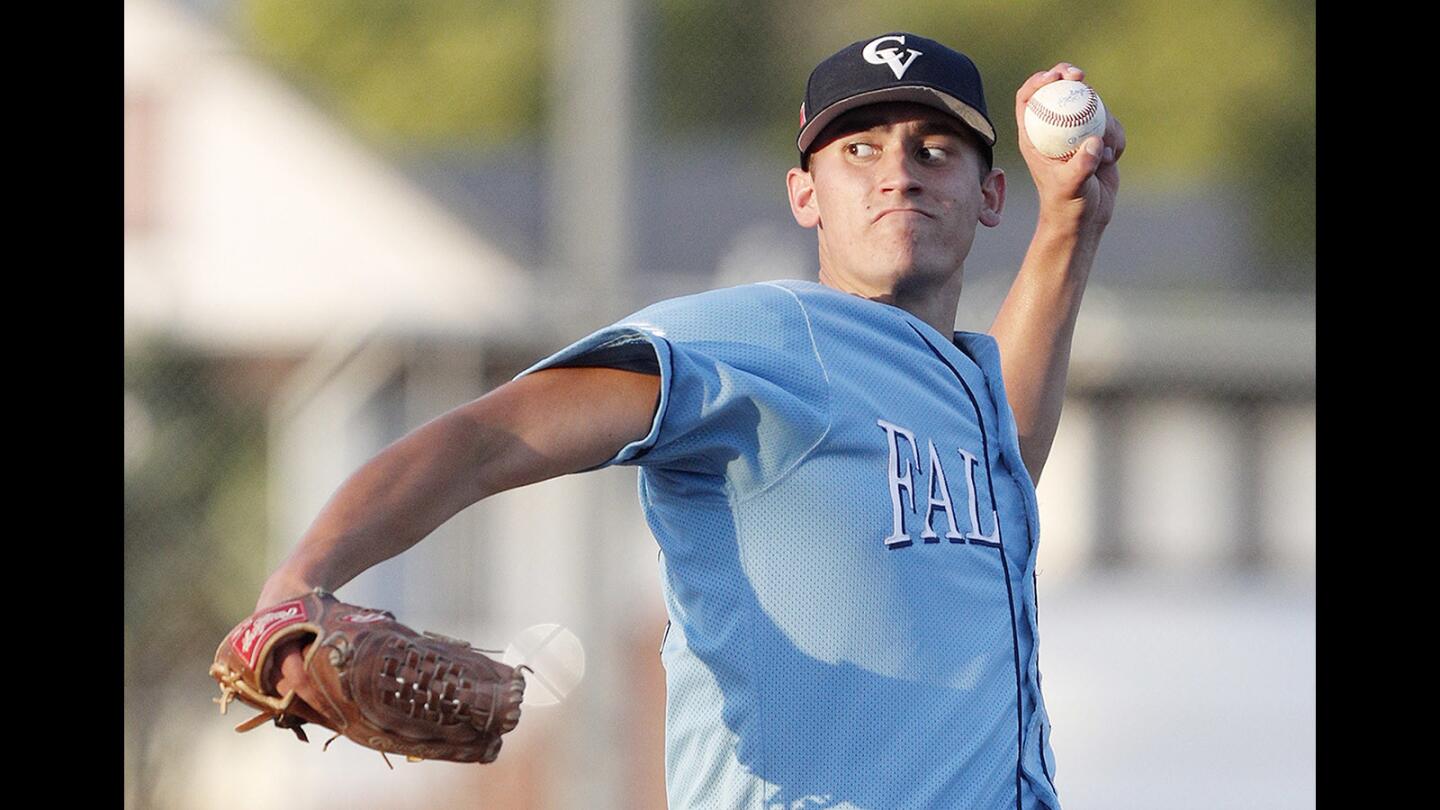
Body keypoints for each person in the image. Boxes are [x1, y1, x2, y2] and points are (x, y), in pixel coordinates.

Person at [255, 32, 1124, 809]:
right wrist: (298, 581)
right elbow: (487, 438)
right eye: (859, 149)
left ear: (990, 195)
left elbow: (1001, 449)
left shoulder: (964, 391)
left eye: (934, 151)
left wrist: (1071, 222)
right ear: (805, 194)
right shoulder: (757, 338)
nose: (899, 171)